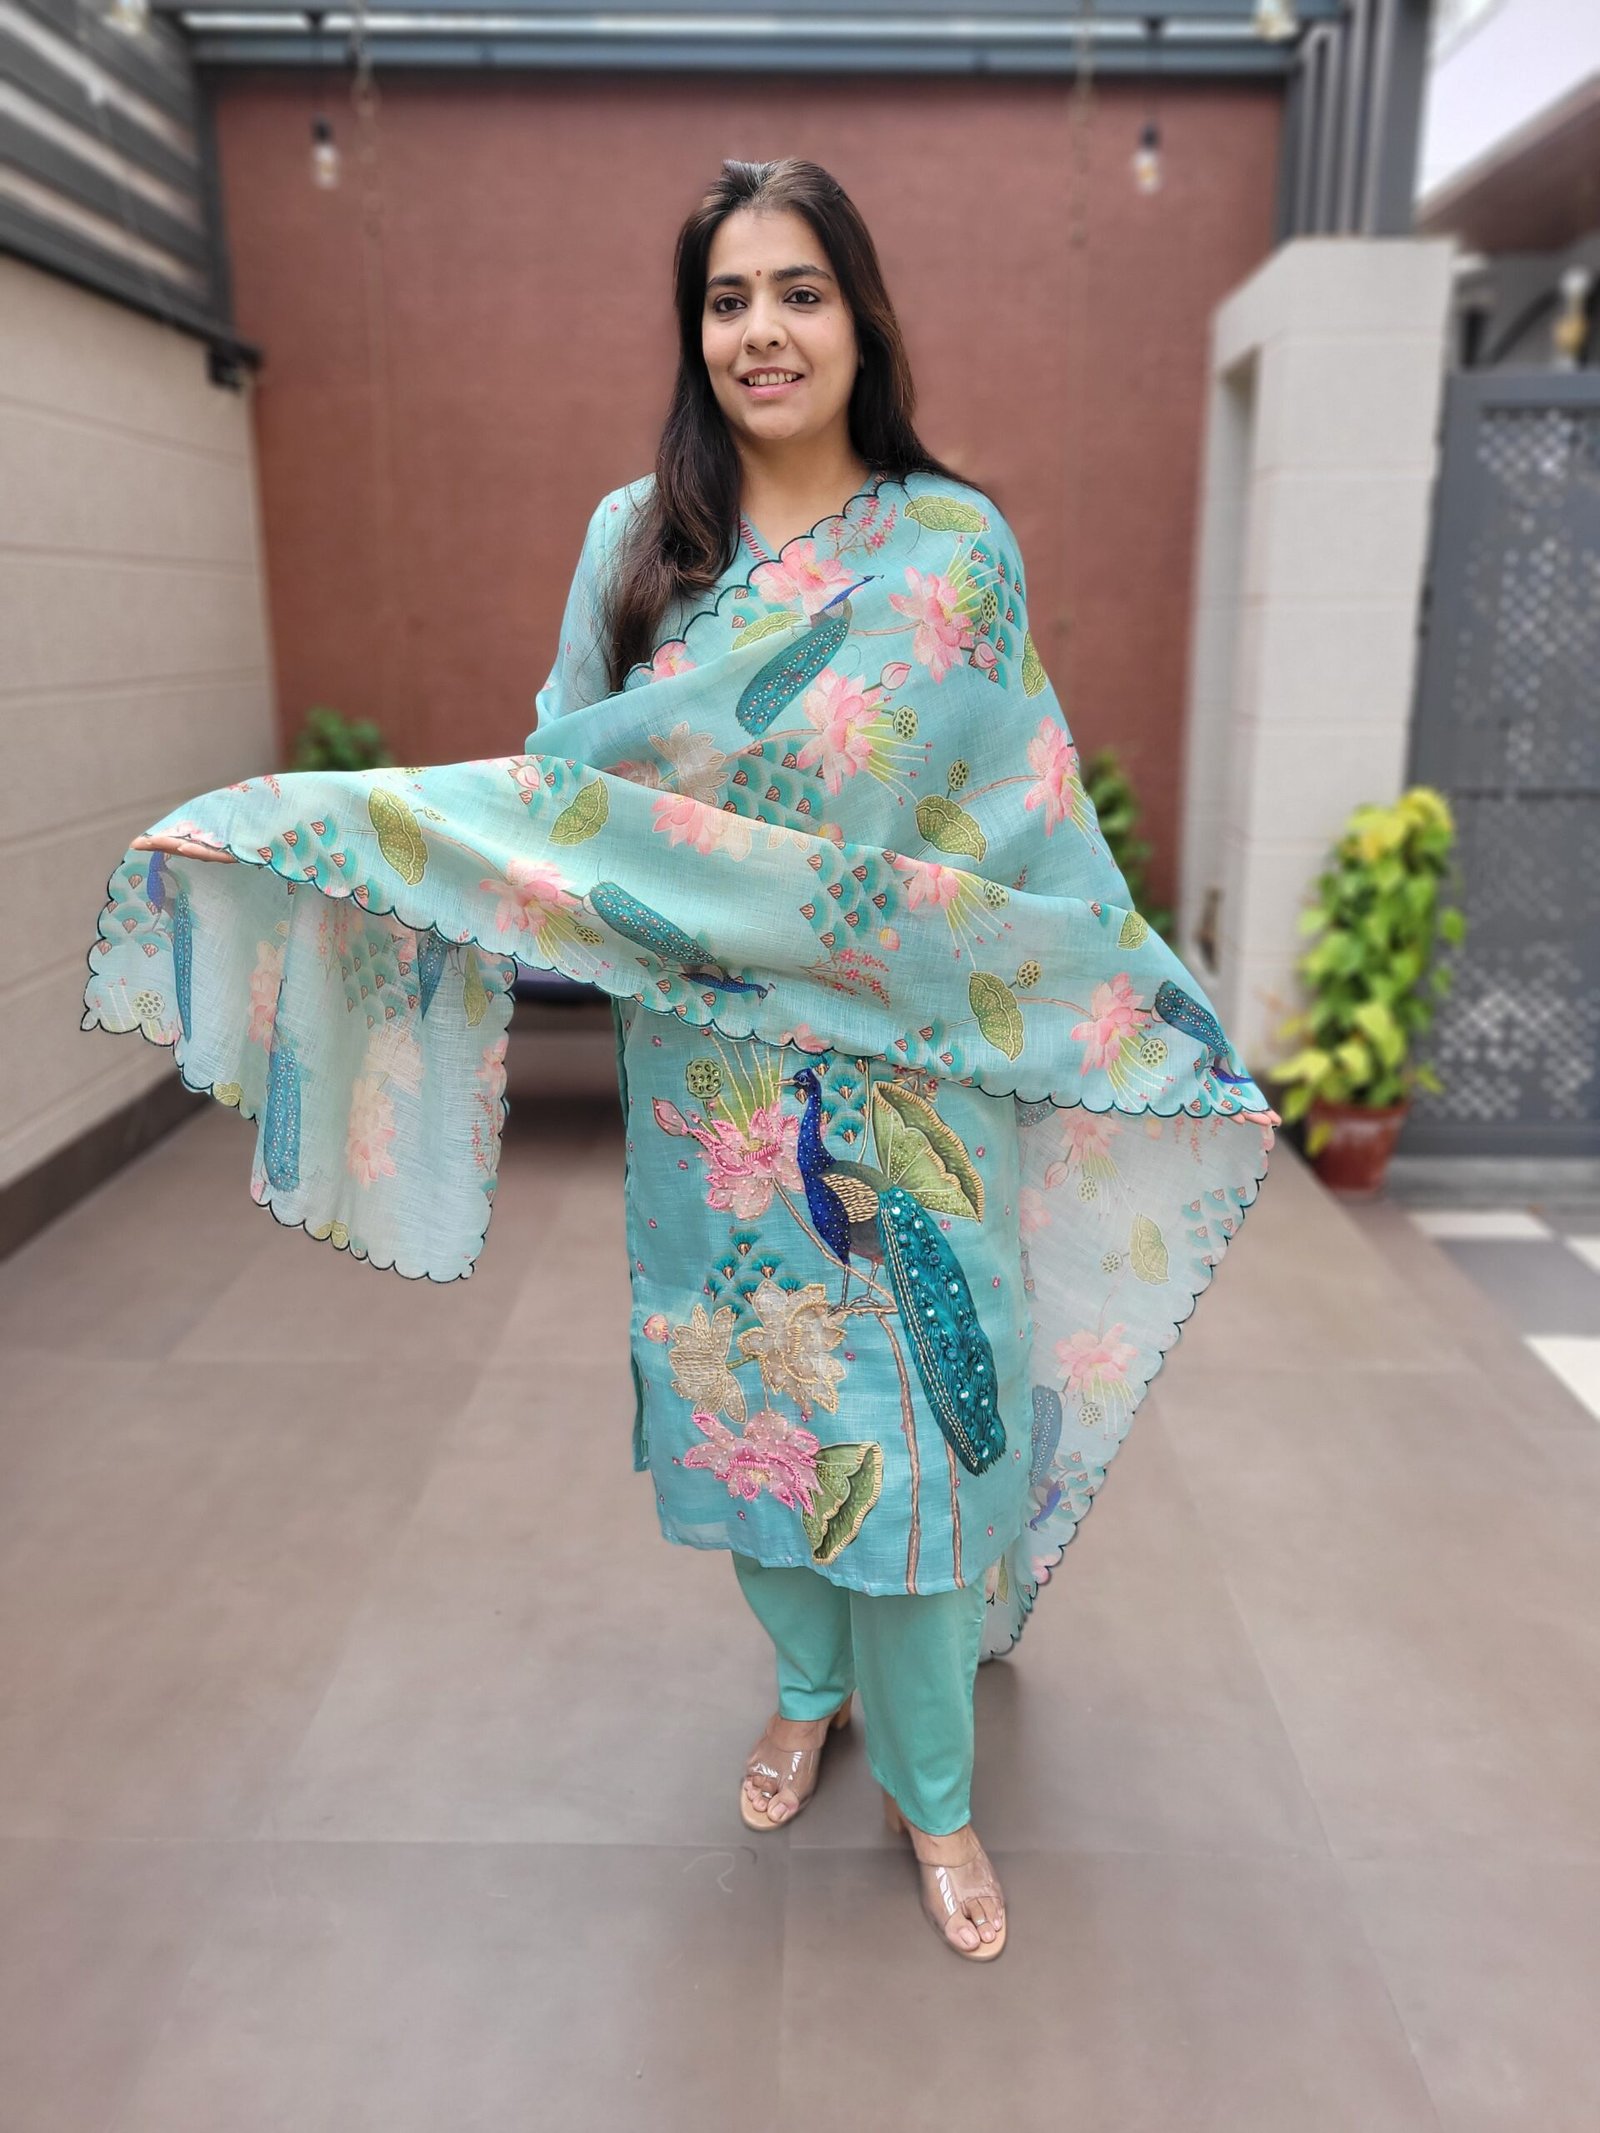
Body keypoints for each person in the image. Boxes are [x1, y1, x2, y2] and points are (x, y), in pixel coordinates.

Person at [100, 156, 1279, 1964]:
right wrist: (320, 834)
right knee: (759, 1406)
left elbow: (1023, 818)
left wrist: (1124, 993)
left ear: (860, 316)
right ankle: (805, 1689)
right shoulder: (638, 543)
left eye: (799, 291)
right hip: (716, 1092)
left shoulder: (955, 548)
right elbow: (562, 801)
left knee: (922, 1419)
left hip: (913, 1075)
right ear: (695, 331)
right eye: (729, 300)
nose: (762, 331)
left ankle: (936, 1789)